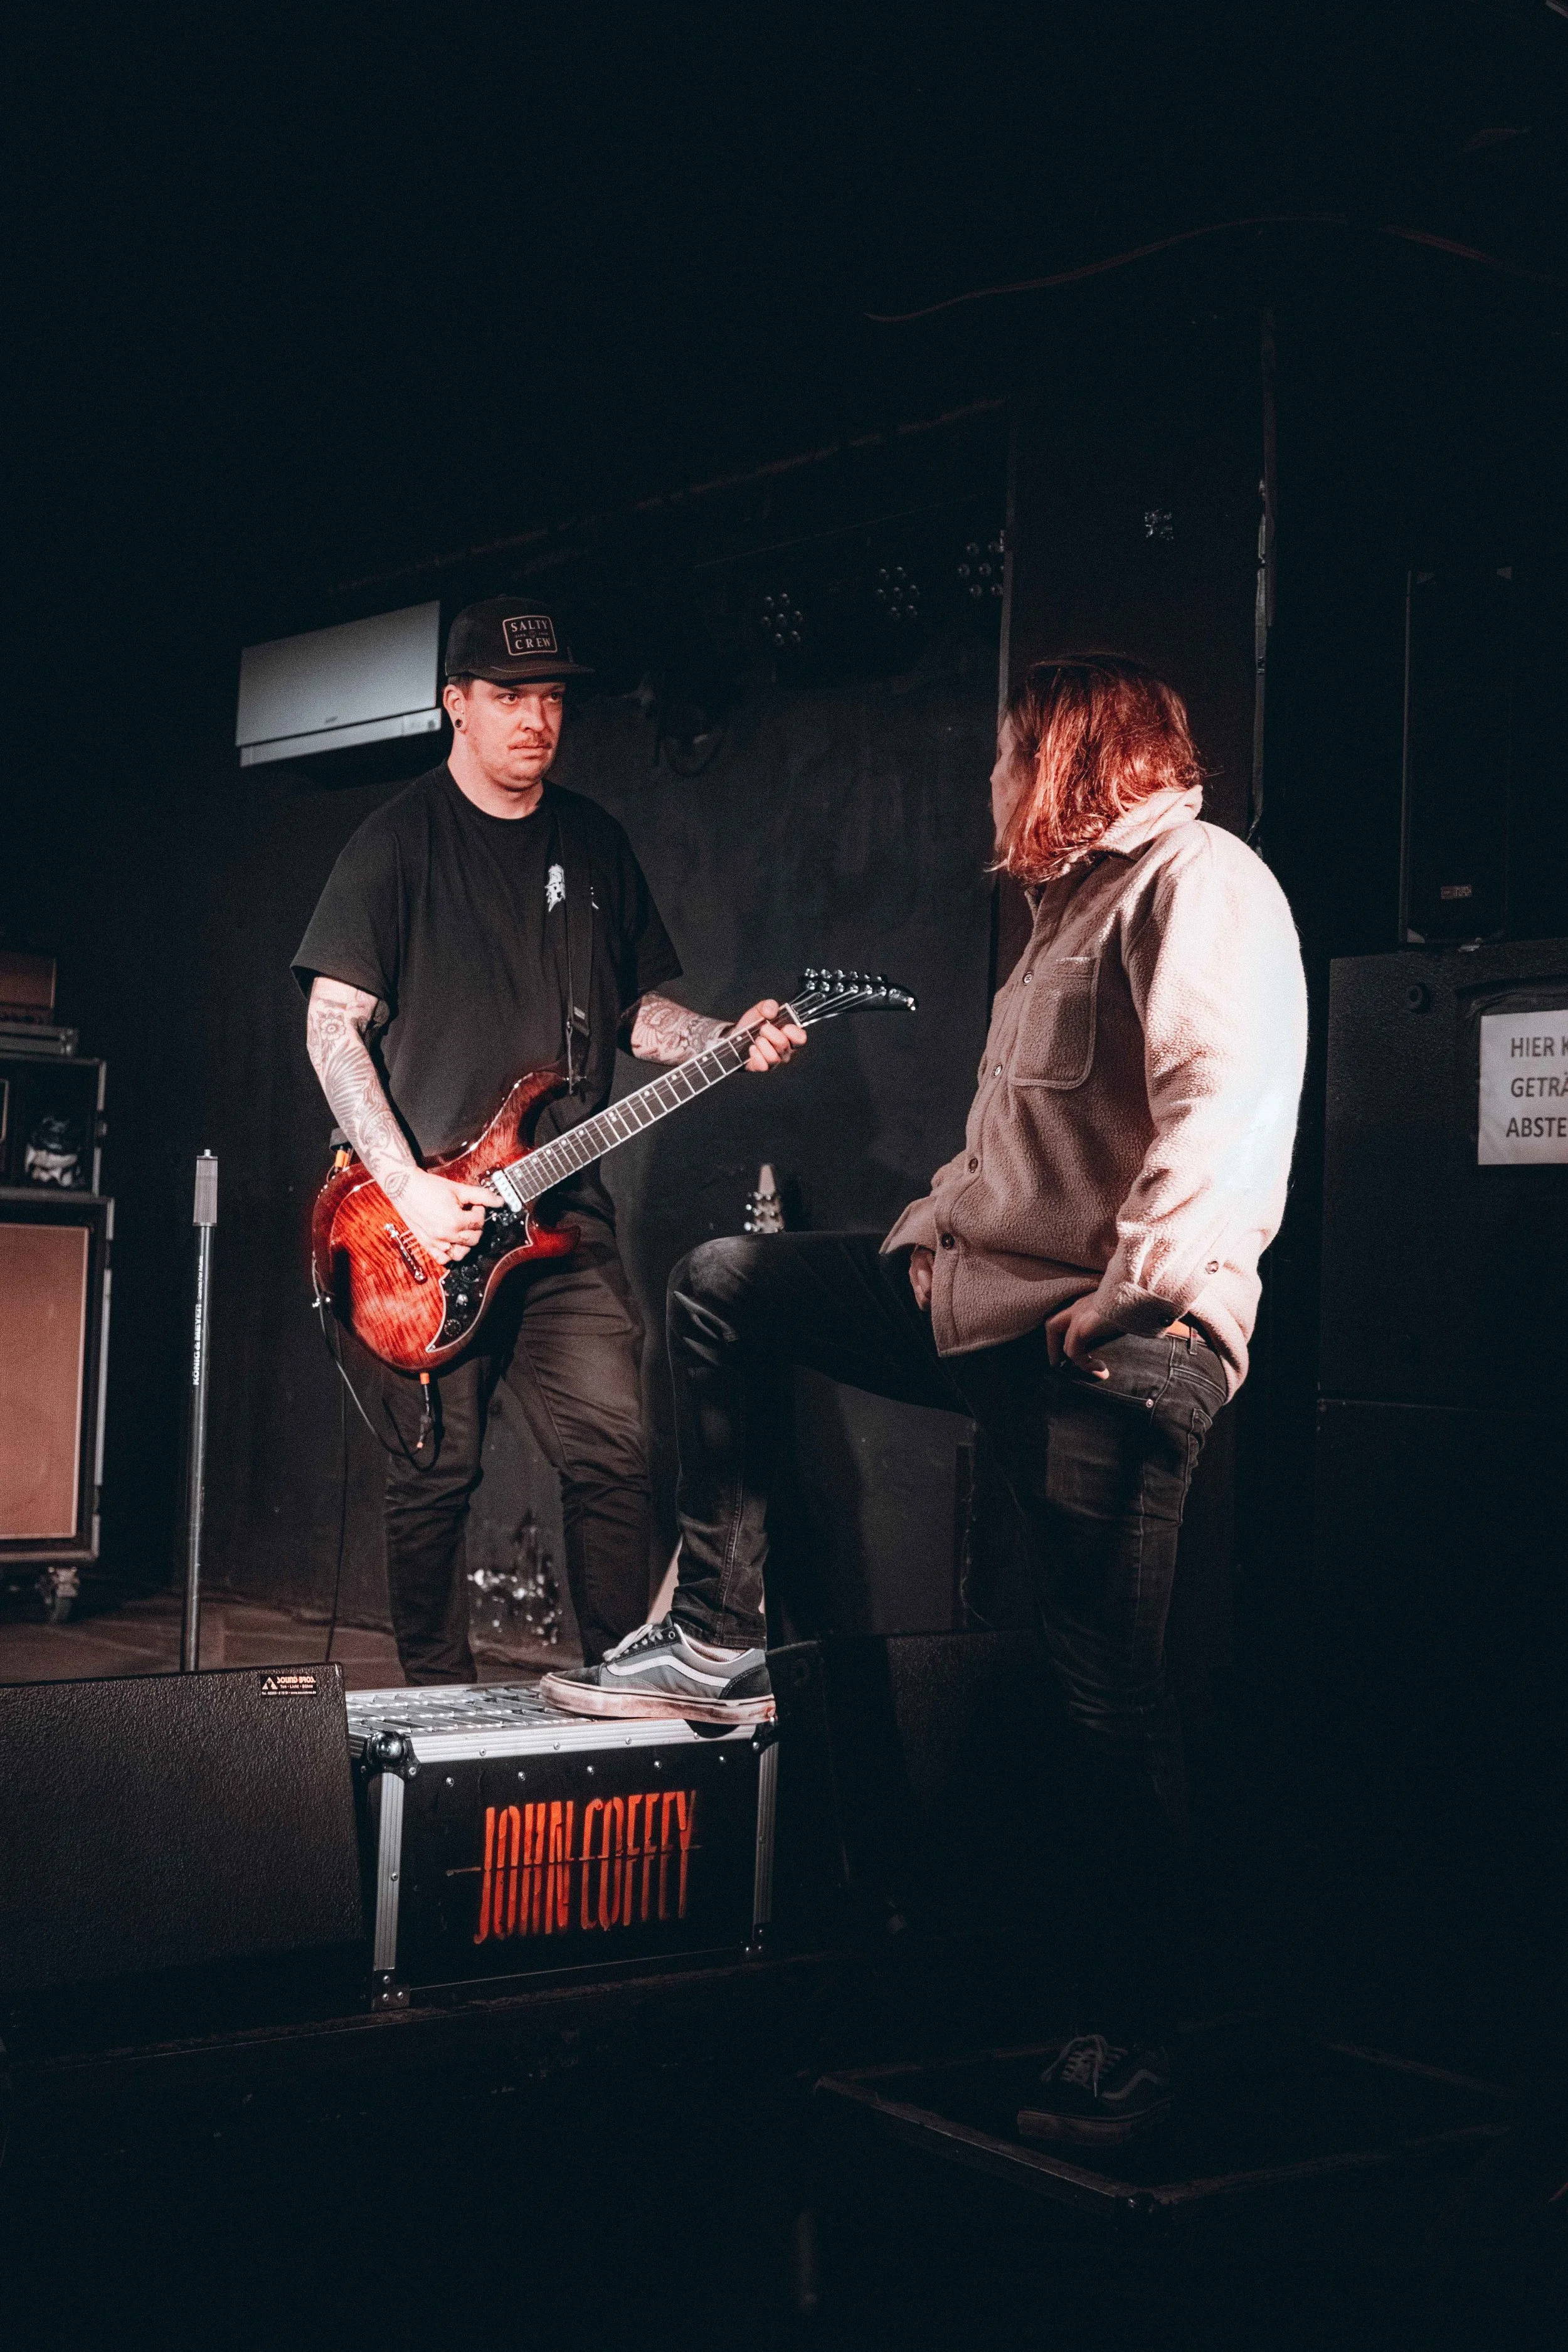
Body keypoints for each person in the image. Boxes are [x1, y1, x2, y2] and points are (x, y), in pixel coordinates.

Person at [543, 654, 1308, 2146]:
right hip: (985, 1303)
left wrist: (1134, 1297)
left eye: (1010, 755)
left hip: (1111, 1342)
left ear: (1070, 755)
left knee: (1105, 1696)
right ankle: (712, 1635)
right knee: (726, 1282)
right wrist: (920, 1241)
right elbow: (1012, 1149)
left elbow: (1222, 1107)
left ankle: (1134, 2043)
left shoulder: (1197, 882)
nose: (992, 784)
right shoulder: (1062, 914)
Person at [292, 598, 803, 1686]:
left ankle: (619, 1686)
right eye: (511, 695)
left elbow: (635, 1015)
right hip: (423, 1226)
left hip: (564, 1215)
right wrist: (409, 1186)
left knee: (613, 1455)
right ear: (456, 704)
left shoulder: (595, 843)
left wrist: (725, 1035)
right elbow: (332, 1024)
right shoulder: (396, 843)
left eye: (554, 697)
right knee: (434, 1477)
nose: (537, 717)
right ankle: (437, 1704)